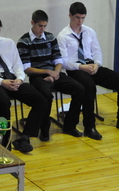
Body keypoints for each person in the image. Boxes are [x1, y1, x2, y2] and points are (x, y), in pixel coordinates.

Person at [58, 2, 119, 137]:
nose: (80, 21)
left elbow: (97, 52)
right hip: (76, 69)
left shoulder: (89, 32)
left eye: (83, 18)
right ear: (70, 16)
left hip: (91, 66)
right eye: (77, 18)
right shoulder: (63, 36)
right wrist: (81, 67)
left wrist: (97, 64)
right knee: (89, 86)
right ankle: (89, 127)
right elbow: (64, 62)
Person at [0, 14, 48, 153]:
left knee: (41, 100)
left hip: (12, 78)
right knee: (3, 102)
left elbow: (17, 65)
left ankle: (25, 137)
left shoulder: (8, 43)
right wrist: (2, 82)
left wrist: (20, 79)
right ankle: (5, 138)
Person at [17, 10, 87, 138]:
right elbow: (27, 68)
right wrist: (47, 72)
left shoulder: (50, 37)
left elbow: (58, 60)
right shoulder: (24, 41)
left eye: (45, 26)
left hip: (54, 73)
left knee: (80, 89)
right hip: (37, 76)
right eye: (40, 26)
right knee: (46, 95)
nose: (42, 29)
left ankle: (70, 126)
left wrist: (55, 73)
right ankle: (44, 130)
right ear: (32, 23)